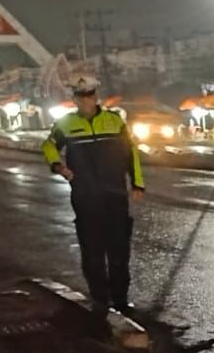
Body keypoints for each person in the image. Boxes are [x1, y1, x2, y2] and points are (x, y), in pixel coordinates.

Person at [41, 75, 144, 312]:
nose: (86, 100)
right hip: (85, 198)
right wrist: (59, 166)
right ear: (75, 99)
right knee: (92, 251)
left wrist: (137, 185)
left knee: (119, 251)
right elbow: (48, 146)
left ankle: (120, 300)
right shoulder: (65, 124)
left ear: (95, 96)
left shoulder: (115, 121)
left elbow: (131, 154)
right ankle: (100, 299)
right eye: (81, 96)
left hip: (115, 195)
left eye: (90, 95)